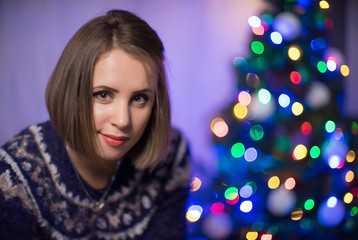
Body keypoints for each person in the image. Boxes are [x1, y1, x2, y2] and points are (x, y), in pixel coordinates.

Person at [0, 9, 191, 239]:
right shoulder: (15, 178)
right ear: (70, 92)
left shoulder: (171, 153)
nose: (122, 120)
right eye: (103, 95)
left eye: (139, 98)